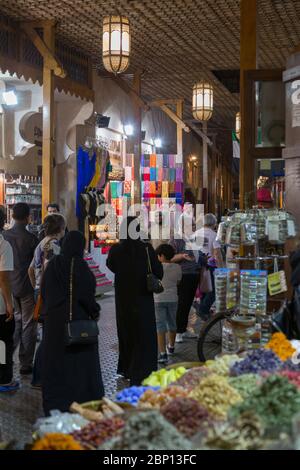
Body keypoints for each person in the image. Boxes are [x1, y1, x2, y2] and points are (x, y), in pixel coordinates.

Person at [41, 231, 104, 415]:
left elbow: (44, 292)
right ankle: (82, 403)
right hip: (77, 325)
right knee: (79, 367)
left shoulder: (53, 265)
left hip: (53, 325)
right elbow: (88, 298)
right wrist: (95, 311)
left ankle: (55, 403)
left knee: (55, 365)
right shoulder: (81, 267)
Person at [107, 216, 163, 385]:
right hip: (143, 299)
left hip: (124, 300)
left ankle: (128, 368)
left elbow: (111, 266)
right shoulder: (146, 248)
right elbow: (158, 272)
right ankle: (144, 369)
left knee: (126, 332)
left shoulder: (116, 249)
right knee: (144, 333)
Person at [28, 213, 66, 388]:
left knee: (46, 335)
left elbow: (30, 269)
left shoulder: (41, 243)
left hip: (40, 291)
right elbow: (50, 267)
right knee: (49, 337)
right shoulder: (54, 244)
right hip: (49, 294)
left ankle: (42, 376)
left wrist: (36, 287)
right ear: (61, 228)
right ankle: (41, 377)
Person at [3, 203, 38, 375]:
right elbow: (35, 266)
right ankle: (25, 363)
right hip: (26, 287)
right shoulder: (31, 238)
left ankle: (8, 357)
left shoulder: (4, 236)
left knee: (14, 322)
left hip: (7, 287)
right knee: (28, 324)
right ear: (27, 217)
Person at [170, 213, 200, 343]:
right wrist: (182, 256)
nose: (193, 226)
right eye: (191, 224)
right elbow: (169, 258)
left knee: (188, 304)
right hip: (182, 276)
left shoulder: (193, 238)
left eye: (193, 224)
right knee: (181, 304)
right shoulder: (176, 239)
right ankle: (178, 331)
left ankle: (185, 328)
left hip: (194, 275)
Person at [154, 244, 182, 363]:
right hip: (173, 299)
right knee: (172, 322)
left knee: (160, 325)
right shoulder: (177, 267)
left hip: (159, 299)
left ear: (162, 256)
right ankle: (171, 347)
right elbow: (178, 281)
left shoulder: (157, 267)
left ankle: (162, 353)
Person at [0, 211, 18, 392]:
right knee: (3, 342)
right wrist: (9, 304)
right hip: (0, 305)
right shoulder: (3, 245)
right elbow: (3, 278)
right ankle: (4, 379)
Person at [194, 213, 224, 319]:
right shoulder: (214, 235)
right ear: (214, 223)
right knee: (213, 290)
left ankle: (203, 309)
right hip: (209, 266)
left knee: (203, 288)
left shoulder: (196, 233)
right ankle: (203, 309)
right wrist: (221, 268)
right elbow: (217, 253)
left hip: (196, 265)